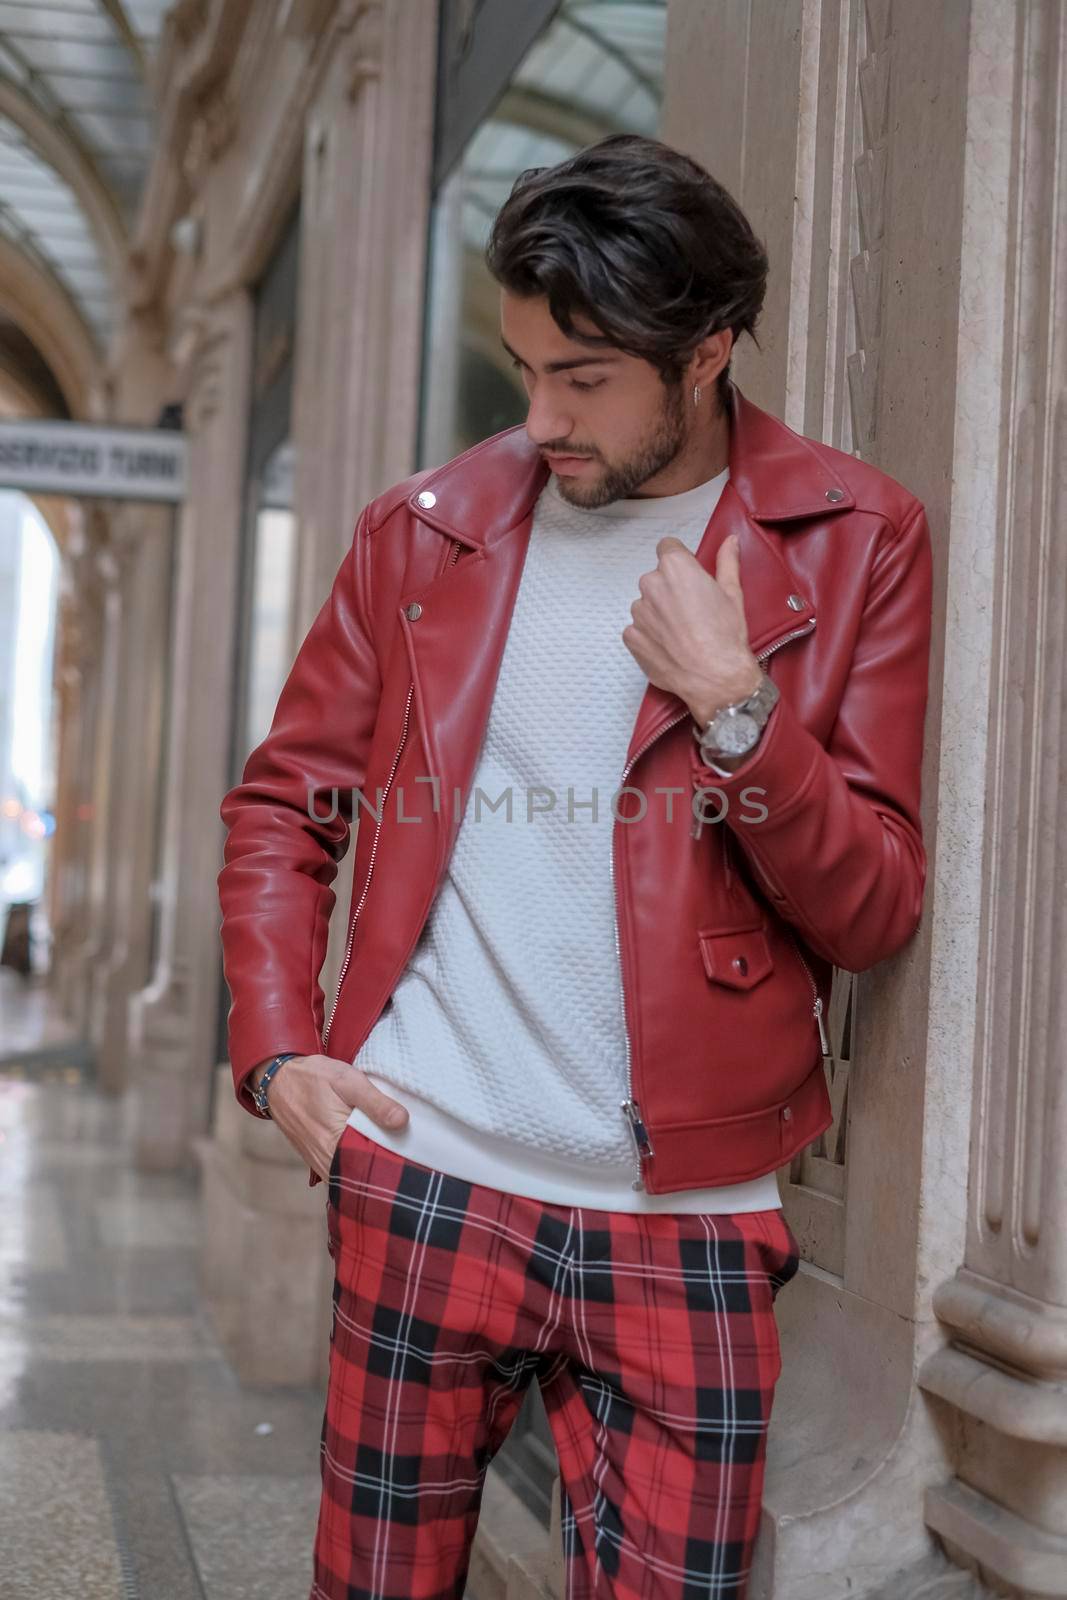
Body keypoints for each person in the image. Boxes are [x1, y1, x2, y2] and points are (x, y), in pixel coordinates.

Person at [217, 133, 932, 1600]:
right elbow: (285, 804)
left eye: (585, 379)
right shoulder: (429, 531)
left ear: (710, 352)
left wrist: (739, 712)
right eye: (524, 368)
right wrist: (277, 1051)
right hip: (428, 1174)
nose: (539, 417)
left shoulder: (856, 539)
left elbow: (872, 907)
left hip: (692, 1224)